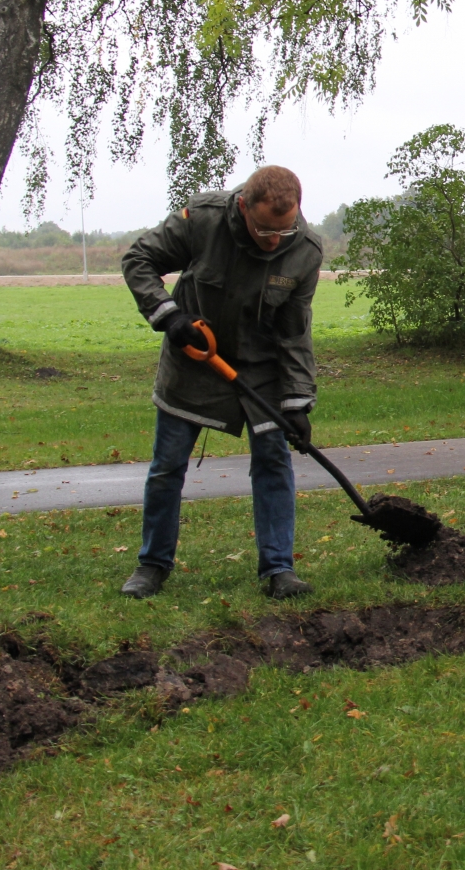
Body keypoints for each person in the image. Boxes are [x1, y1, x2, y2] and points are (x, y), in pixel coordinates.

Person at [117, 165, 324, 600]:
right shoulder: (204, 219)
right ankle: (152, 565)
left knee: (273, 461)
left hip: (263, 368)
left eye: (283, 232)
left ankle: (279, 569)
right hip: (196, 358)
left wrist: (297, 401)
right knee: (167, 465)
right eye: (265, 229)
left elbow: (294, 332)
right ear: (244, 206)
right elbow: (139, 259)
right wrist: (169, 315)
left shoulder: (304, 250)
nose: (273, 241)